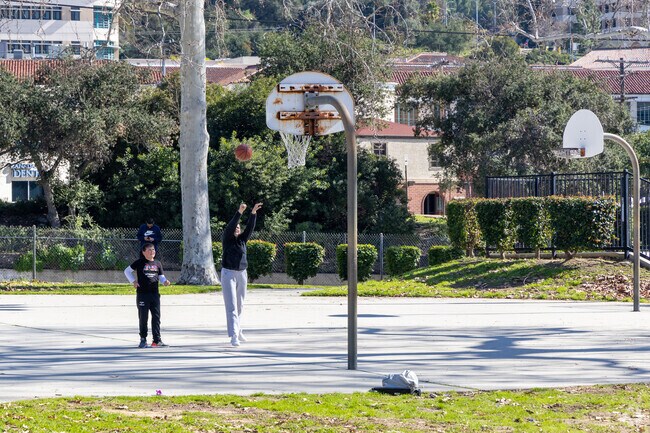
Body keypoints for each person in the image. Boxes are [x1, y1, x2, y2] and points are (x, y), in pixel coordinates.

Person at [221, 202, 262, 347]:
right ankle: (233, 336)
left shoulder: (243, 240)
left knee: (240, 305)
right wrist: (239, 212)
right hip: (228, 274)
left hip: (242, 273)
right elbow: (232, 225)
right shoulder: (227, 239)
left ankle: (238, 330)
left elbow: (250, 228)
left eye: (239, 227)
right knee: (231, 305)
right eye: (236, 227)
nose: (237, 228)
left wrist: (253, 213)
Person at [124, 242, 171, 348]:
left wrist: (165, 282)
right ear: (143, 252)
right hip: (143, 295)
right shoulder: (139, 262)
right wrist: (133, 281)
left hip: (154, 294)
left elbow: (161, 276)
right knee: (143, 317)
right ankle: (143, 339)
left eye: (153, 250)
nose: (152, 252)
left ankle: (157, 340)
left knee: (156, 317)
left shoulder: (158, 263)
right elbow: (127, 271)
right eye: (149, 250)